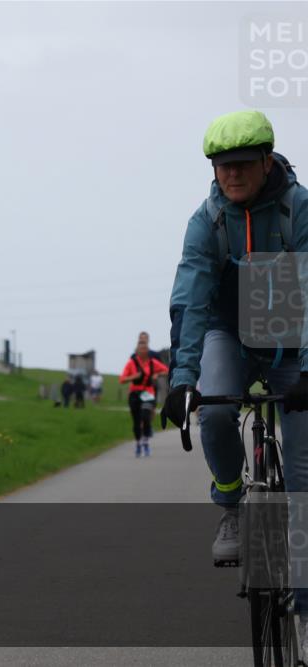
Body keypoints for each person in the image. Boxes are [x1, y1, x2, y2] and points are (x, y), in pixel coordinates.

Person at [161, 111, 308, 582]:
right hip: (231, 334)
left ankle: (304, 615)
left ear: (268, 163)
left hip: (292, 333)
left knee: (304, 480)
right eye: (223, 166)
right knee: (218, 411)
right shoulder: (208, 220)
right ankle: (232, 505)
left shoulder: (298, 209)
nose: (233, 174)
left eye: (244, 163)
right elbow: (190, 301)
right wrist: (183, 381)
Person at [120, 340, 168, 457]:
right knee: (136, 421)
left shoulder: (152, 362)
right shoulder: (131, 363)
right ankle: (138, 443)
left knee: (146, 417)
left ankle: (145, 441)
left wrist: (158, 374)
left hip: (148, 392)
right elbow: (122, 379)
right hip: (135, 393)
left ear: (148, 351)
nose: (143, 351)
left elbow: (166, 370)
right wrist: (134, 376)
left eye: (145, 349)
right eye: (141, 349)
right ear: (137, 351)